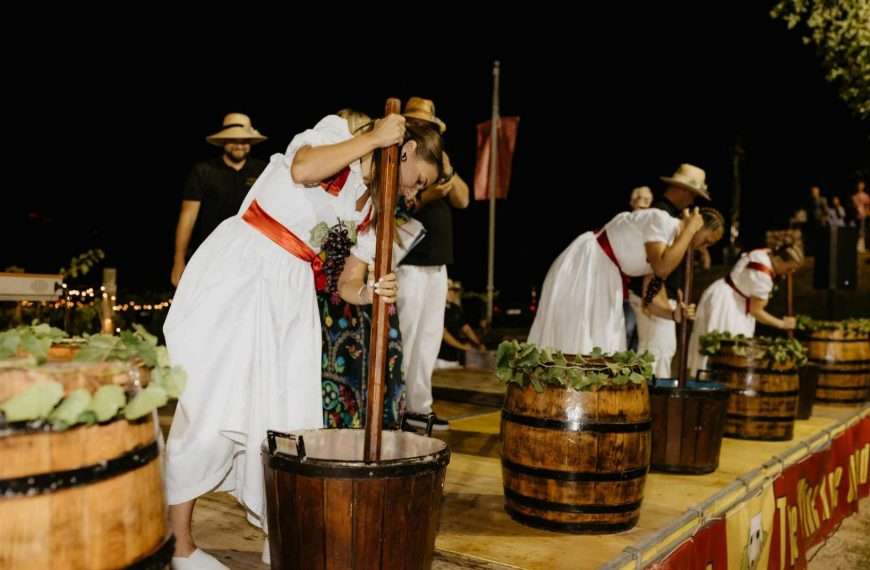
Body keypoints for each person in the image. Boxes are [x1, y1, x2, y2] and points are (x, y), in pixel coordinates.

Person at [164, 110, 443, 569]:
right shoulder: (335, 135)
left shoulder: (374, 210)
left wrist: (371, 291)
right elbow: (302, 170)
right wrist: (374, 138)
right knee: (212, 408)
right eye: (419, 179)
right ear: (406, 151)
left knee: (286, 422)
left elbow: (347, 285)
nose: (414, 192)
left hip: (290, 298)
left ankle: (282, 542)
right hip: (244, 267)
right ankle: (181, 548)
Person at [528, 204, 724, 355]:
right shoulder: (661, 220)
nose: (704, 247)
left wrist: (674, 315)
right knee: (578, 336)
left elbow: (649, 302)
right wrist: (689, 230)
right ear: (699, 225)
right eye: (707, 240)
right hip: (589, 264)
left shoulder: (670, 245)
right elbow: (662, 268)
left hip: (607, 275)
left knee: (605, 342)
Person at [395, 97, 469, 431]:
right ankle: (396, 406)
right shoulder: (400, 152)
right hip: (409, 259)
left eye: (428, 123)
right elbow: (399, 207)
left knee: (428, 339)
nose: (423, 127)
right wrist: (429, 195)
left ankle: (419, 408)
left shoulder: (440, 158)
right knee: (407, 336)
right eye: (417, 122)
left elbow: (463, 199)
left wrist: (448, 172)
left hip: (438, 260)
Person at [171, 113, 267, 286]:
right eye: (233, 140)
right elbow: (188, 217)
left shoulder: (263, 171)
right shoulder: (203, 171)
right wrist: (179, 260)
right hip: (211, 255)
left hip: (253, 256)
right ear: (223, 141)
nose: (239, 145)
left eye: (245, 140)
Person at [687, 243, 804, 376]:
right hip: (728, 306)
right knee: (725, 352)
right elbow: (756, 311)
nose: (790, 273)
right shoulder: (762, 275)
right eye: (789, 268)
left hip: (722, 292)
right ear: (778, 260)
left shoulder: (764, 254)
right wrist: (782, 324)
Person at [436, 279, 486, 368]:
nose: (453, 294)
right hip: (439, 360)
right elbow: (444, 334)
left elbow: (466, 329)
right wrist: (463, 347)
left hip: (454, 359)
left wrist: (478, 344)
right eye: (450, 291)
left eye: (454, 291)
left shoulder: (456, 309)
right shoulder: (437, 309)